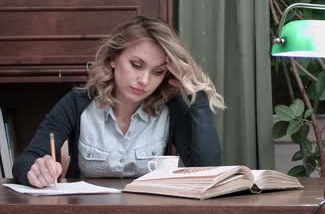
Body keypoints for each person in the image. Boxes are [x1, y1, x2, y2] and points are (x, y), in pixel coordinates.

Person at [12, 16, 226, 188]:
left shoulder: (171, 107)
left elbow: (207, 169)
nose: (144, 80)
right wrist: (35, 169)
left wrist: (198, 95)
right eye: (136, 64)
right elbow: (27, 159)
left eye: (157, 72)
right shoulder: (78, 102)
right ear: (113, 59)